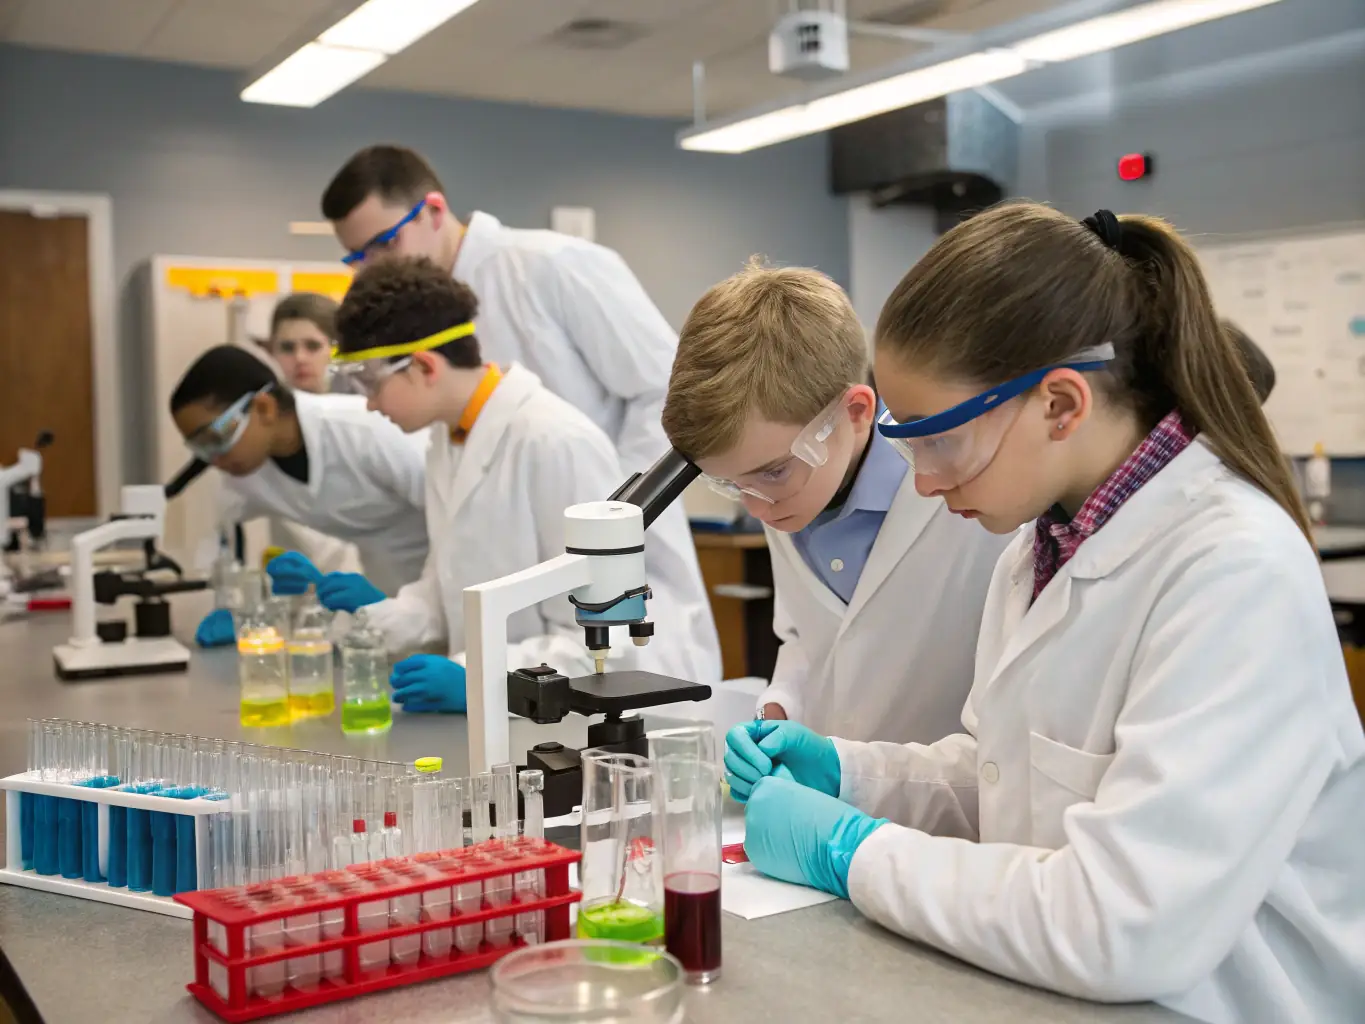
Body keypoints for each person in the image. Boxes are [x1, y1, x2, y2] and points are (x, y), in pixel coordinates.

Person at [726, 205, 1365, 1022]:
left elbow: (1124, 922)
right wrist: (852, 775)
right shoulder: (1041, 548)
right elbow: (1007, 776)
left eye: (936, 442)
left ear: (1060, 406)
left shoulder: (1234, 571)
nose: (919, 481)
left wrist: (851, 852)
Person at [282, 256, 719, 713]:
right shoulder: (447, 440)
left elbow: (600, 637)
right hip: (505, 725)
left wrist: (481, 677)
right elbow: (443, 590)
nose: (369, 405)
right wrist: (371, 621)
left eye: (369, 382)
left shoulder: (554, 440)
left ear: (425, 366)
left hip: (570, 725)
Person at [661, 262, 1008, 747]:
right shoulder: (790, 486)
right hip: (843, 792)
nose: (756, 509)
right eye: (732, 485)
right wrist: (783, 705)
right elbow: (807, 635)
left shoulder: (976, 499)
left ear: (856, 412)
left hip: (961, 804)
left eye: (772, 472)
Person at [320, 144, 673, 476]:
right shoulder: (408, 318)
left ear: (434, 210)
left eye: (384, 244)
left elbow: (664, 387)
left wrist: (621, 502)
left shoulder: (550, 264)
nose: (372, 268)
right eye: (357, 257)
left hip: (615, 518)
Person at [169, 345, 429, 646]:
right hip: (381, 599)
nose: (213, 458)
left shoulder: (366, 431)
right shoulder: (243, 474)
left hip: (447, 582)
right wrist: (237, 607)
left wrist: (429, 602)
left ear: (264, 408)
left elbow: (456, 516)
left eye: (214, 439)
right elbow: (214, 546)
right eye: (199, 448)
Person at [256, 292, 367, 577]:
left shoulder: (362, 419)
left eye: (312, 346)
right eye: (287, 347)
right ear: (271, 352)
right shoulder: (264, 429)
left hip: (366, 577)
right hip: (294, 582)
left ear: (336, 349)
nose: (300, 358)